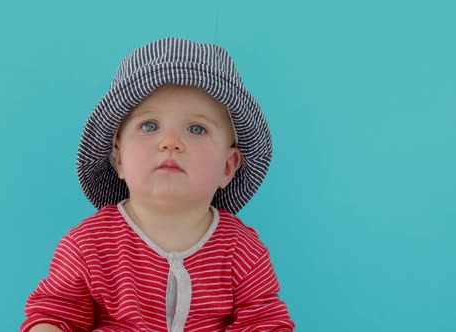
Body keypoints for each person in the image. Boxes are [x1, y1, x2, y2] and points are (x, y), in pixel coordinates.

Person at [21, 37, 295, 332]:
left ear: (227, 167)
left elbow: (264, 322)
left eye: (196, 129)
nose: (170, 143)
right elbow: (54, 314)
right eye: (149, 126)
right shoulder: (89, 245)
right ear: (119, 157)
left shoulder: (241, 250)